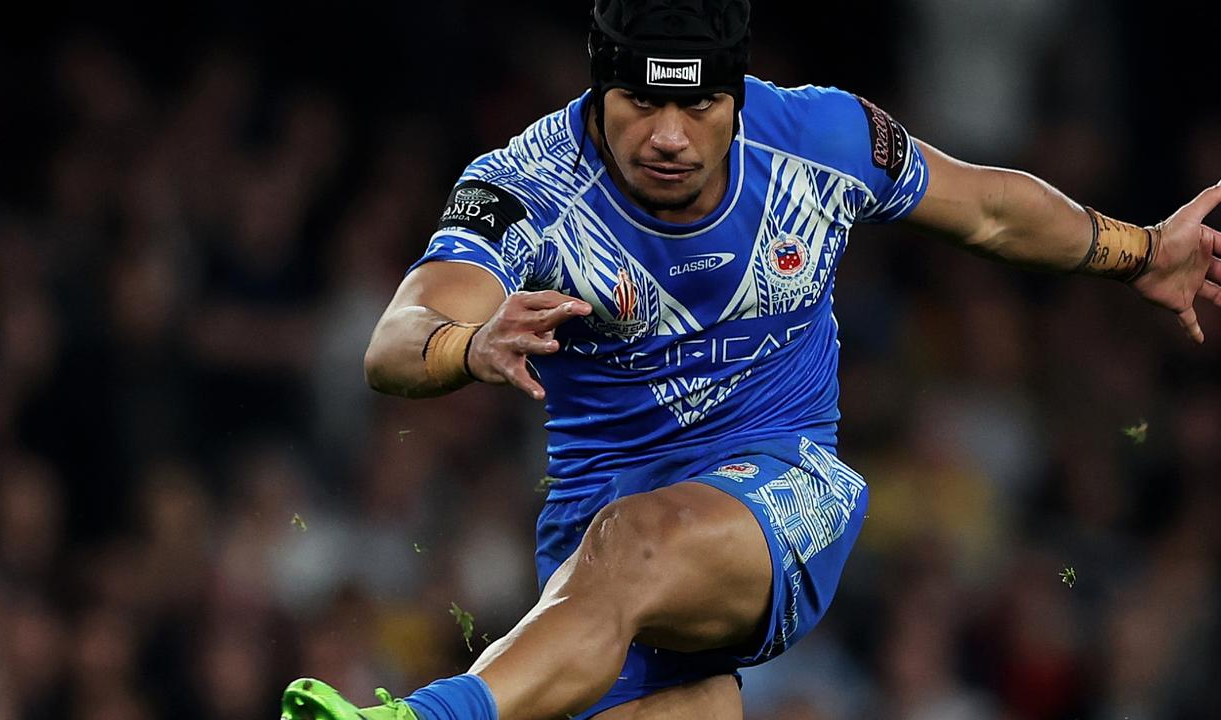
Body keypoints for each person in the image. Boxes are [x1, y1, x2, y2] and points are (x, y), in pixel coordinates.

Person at [280, 1, 1221, 718]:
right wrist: (468, 344)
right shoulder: (527, 184)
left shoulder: (820, 139)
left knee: (634, 540)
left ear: (735, 97)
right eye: (642, 102)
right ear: (598, 93)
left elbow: (986, 208)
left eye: (696, 103)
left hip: (782, 492)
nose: (669, 136)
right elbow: (393, 338)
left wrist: (1138, 251)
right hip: (594, 574)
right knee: (662, 636)